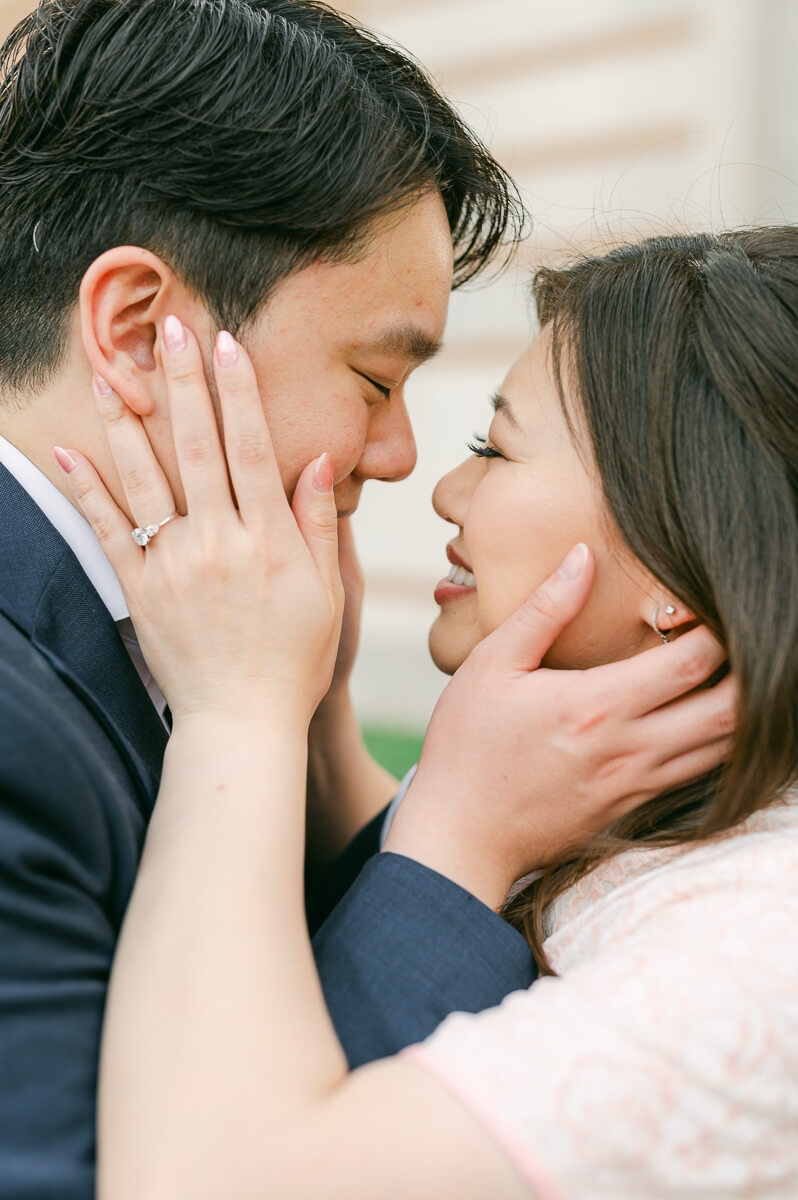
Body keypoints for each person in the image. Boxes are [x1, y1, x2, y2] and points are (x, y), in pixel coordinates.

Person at [0, 3, 730, 1197]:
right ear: (138, 336)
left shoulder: (198, 621)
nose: (400, 458)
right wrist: (452, 845)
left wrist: (318, 737)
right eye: (373, 378)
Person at [78, 225, 797, 1199]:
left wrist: (242, 714)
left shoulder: (752, 962)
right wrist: (321, 713)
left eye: (491, 448)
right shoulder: (618, 774)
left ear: (680, 556)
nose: (443, 486)